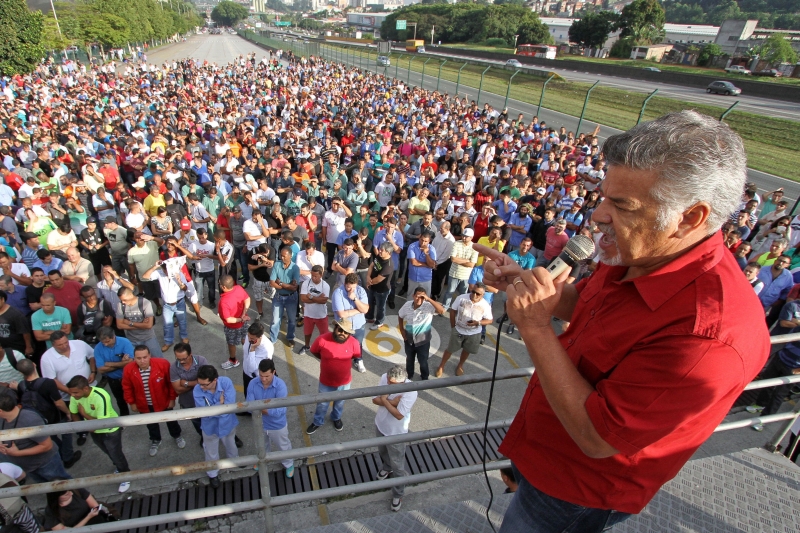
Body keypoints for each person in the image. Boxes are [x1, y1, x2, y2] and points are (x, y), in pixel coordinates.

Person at [476, 112, 770, 532]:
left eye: (622, 205)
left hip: (576, 490)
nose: (597, 216)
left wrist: (536, 327)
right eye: (604, 197)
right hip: (546, 455)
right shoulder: (644, 253)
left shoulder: (709, 335)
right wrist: (528, 286)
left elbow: (599, 438)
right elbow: (590, 310)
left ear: (690, 217)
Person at [66, 375, 131, 493]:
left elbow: (102, 423)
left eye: (75, 392)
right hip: (93, 430)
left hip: (110, 430)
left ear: (85, 389)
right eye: (71, 393)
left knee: (116, 453)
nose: (73, 395)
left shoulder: (100, 396)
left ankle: (125, 475)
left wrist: (84, 415)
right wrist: (83, 427)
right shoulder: (74, 397)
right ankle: (119, 467)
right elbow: (73, 413)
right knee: (108, 452)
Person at [122, 345, 185, 457]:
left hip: (163, 401)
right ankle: (155, 440)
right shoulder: (128, 369)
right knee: (151, 424)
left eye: (145, 357)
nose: (142, 361)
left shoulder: (163, 364)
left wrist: (172, 398)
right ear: (134, 358)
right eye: (138, 358)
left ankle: (177, 435)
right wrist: (132, 402)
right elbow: (127, 387)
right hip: (144, 404)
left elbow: (170, 383)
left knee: (171, 420)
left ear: (150, 355)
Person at [0, 388, 72, 484]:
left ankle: (83, 498)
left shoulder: (30, 419)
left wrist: (17, 453)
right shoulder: (2, 419)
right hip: (29, 467)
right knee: (50, 491)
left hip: (45, 464)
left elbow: (47, 445)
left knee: (65, 485)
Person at [372, 365, 418, 512]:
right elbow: (374, 399)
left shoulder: (411, 391)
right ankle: (386, 467)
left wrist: (385, 400)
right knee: (383, 452)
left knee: (398, 464)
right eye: (388, 381)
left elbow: (399, 415)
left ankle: (398, 493)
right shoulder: (385, 378)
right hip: (381, 425)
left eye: (392, 383)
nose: (389, 384)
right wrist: (392, 403)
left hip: (396, 433)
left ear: (403, 381)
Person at [306, 318, 361, 435]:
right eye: (340, 330)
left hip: (344, 382)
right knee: (322, 404)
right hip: (326, 382)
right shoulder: (322, 339)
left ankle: (336, 418)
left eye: (346, 332)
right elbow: (314, 351)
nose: (342, 334)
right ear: (335, 328)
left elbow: (355, 355)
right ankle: (317, 421)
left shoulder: (354, 343)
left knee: (340, 403)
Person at [246, 358, 294, 478]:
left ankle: (289, 464)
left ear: (273, 372)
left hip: (277, 425)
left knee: (283, 446)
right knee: (261, 445)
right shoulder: (253, 383)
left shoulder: (280, 386)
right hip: (260, 423)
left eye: (267, 376)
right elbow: (248, 406)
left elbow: (281, 410)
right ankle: (263, 461)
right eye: (261, 375)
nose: (263, 379)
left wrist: (260, 407)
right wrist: (267, 408)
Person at [193, 365, 239, 489]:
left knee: (231, 444)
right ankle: (213, 474)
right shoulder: (197, 390)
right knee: (211, 451)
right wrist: (220, 404)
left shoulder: (226, 382)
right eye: (200, 384)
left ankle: (234, 461)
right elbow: (204, 413)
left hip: (227, 424)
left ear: (214, 380)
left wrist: (214, 409)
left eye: (205, 385)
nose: (202, 387)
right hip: (210, 427)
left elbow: (229, 406)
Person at [434, 283, 493, 377]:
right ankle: (441, 366)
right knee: (450, 349)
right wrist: (453, 326)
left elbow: (489, 320)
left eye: (478, 294)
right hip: (458, 330)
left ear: (483, 295)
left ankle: (460, 365)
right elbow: (453, 311)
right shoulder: (461, 298)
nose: (474, 295)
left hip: (474, 333)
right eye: (473, 292)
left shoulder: (485, 305)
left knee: (467, 350)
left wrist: (478, 323)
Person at [142, 260, 192, 352]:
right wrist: (155, 266)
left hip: (179, 303)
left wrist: (179, 281)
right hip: (167, 305)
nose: (168, 272)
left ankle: (184, 336)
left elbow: (185, 289)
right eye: (166, 270)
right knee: (167, 324)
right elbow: (145, 276)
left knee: (182, 321)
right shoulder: (159, 273)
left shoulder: (178, 274)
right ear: (163, 269)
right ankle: (168, 341)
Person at [398, 287, 445, 381]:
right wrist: (402, 330)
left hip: (423, 341)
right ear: (413, 296)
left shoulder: (428, 306)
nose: (419, 299)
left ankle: (424, 377)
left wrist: (429, 299)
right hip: (409, 339)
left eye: (422, 297)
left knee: (423, 361)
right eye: (417, 296)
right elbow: (400, 315)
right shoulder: (407, 305)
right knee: (409, 359)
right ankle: (409, 375)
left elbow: (442, 311)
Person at [331, 273, 369, 373]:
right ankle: (341, 362)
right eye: (348, 287)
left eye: (353, 287)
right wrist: (358, 310)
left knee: (358, 344)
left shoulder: (361, 291)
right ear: (345, 283)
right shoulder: (337, 293)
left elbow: (365, 309)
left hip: (358, 325)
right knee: (341, 344)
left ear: (357, 284)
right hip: (343, 327)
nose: (351, 290)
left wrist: (355, 298)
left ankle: (358, 360)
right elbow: (341, 314)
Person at [93, 327, 133, 416]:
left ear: (113, 336)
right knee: (120, 400)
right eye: (103, 342)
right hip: (113, 380)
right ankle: (125, 416)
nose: (105, 344)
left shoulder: (125, 342)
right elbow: (101, 369)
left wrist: (109, 364)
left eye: (107, 341)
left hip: (129, 377)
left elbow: (131, 362)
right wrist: (122, 363)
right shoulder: (98, 348)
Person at [115, 287, 162, 360]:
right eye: (121, 300)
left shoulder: (145, 303)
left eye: (124, 300)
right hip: (132, 340)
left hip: (148, 338)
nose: (123, 302)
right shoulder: (120, 305)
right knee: (136, 364)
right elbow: (119, 325)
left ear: (130, 295)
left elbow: (149, 325)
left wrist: (130, 323)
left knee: (158, 360)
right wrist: (142, 325)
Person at [218, 275, 250, 369]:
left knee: (231, 343)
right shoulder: (239, 288)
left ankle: (233, 360)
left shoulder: (224, 301)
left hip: (232, 327)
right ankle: (250, 356)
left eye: (220, 284)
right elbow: (247, 299)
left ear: (224, 287)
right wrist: (244, 314)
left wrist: (240, 318)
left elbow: (228, 319)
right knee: (244, 338)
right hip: (243, 323)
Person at [442, 228, 478, 309]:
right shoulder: (457, 243)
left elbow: (472, 264)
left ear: (471, 237)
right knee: (449, 292)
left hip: (466, 276)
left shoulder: (474, 247)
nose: (464, 238)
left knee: (463, 294)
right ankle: (445, 307)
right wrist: (466, 261)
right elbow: (453, 259)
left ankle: (460, 309)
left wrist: (459, 260)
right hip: (454, 273)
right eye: (463, 236)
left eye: (466, 236)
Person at [269, 247, 300, 344]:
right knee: (275, 320)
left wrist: (281, 283)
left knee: (292, 320)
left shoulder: (295, 268)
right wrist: (287, 286)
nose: (281, 258)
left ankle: (290, 337)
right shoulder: (277, 264)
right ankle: (273, 338)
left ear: (290, 256)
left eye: (284, 256)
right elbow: (271, 282)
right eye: (280, 255)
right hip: (278, 297)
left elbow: (294, 288)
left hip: (291, 298)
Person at [299, 266, 330, 355]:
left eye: (315, 276)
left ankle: (324, 349)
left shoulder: (325, 286)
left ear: (321, 275)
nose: (313, 278)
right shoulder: (306, 283)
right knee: (307, 332)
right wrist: (318, 298)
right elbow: (303, 299)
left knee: (324, 335)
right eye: (312, 275)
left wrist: (311, 296)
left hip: (321, 316)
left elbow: (323, 301)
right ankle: (307, 346)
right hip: (308, 314)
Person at [364, 242, 395, 331]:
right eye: (380, 249)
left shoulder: (388, 265)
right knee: (370, 303)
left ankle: (379, 322)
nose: (379, 251)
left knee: (380, 307)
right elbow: (372, 265)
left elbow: (379, 279)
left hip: (382, 290)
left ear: (388, 253)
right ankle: (369, 317)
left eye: (382, 250)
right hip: (373, 286)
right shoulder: (379, 256)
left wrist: (369, 282)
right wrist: (368, 277)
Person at [43, 488, 108, 529]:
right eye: (66, 494)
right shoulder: (51, 512)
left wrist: (94, 512)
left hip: (95, 522)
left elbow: (94, 505)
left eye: (70, 490)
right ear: (56, 497)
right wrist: (88, 517)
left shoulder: (76, 490)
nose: (71, 493)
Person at [242, 322, 274, 395]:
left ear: (260, 337)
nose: (249, 339)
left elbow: (252, 368)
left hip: (256, 378)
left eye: (252, 338)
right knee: (246, 394)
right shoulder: (249, 336)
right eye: (248, 336)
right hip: (246, 373)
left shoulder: (266, 349)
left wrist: (252, 349)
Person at [0, 290, 33, 358]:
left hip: (16, 349)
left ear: (2, 299)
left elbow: (25, 332)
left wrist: (28, 347)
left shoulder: (16, 314)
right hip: (2, 350)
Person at [247, 243, 275, 318]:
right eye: (265, 254)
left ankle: (277, 312)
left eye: (267, 253)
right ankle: (260, 313)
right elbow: (249, 268)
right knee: (258, 298)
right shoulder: (252, 252)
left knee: (274, 297)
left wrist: (262, 257)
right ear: (260, 251)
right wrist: (261, 265)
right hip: (258, 279)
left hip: (270, 279)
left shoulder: (271, 249)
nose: (268, 254)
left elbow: (271, 264)